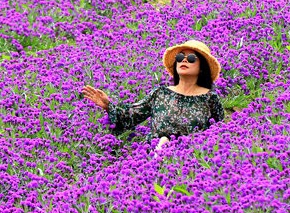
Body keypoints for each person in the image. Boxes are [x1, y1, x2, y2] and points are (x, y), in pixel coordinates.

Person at [81, 39, 225, 150]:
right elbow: (130, 116)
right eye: (180, 57)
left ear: (202, 68)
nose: (184, 60)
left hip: (189, 158)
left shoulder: (210, 98)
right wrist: (108, 105)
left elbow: (219, 134)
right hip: (155, 157)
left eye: (192, 58)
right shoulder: (160, 93)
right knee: (162, 142)